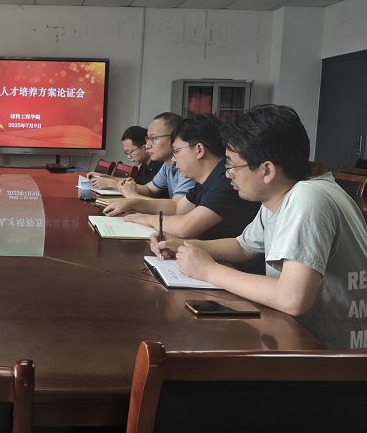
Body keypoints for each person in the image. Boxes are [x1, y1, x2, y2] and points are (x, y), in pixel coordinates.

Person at [151, 105, 367, 350]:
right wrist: (182, 245)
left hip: (334, 356)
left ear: (267, 170)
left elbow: (292, 298)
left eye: (232, 166)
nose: (228, 174)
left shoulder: (308, 198)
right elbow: (242, 247)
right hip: (298, 338)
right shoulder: (280, 196)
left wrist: (209, 271)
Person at [123, 114, 260, 241]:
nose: (174, 159)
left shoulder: (227, 179)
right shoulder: (205, 180)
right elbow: (177, 208)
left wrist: (147, 219)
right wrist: (134, 203)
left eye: (176, 151)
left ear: (199, 150)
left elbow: (185, 227)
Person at [103, 112, 195, 216]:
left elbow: (176, 208)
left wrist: (132, 196)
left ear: (175, 138)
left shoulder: (189, 166)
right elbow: (149, 189)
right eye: (148, 139)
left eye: (154, 138)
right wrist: (128, 187)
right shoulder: (167, 165)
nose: (147, 146)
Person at [87, 126, 163, 190]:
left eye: (130, 151)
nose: (129, 156)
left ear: (145, 147)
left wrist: (111, 183)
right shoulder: (145, 164)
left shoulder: (160, 166)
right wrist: (104, 177)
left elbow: (147, 191)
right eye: (126, 152)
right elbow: (133, 183)